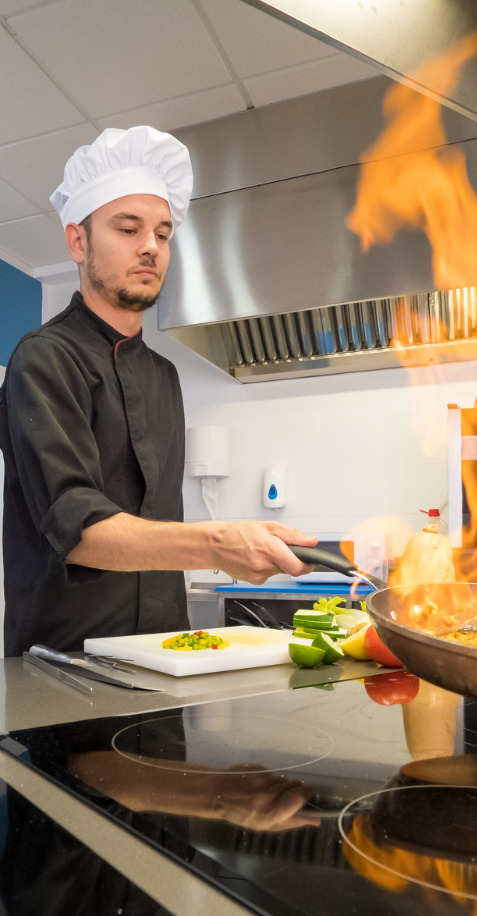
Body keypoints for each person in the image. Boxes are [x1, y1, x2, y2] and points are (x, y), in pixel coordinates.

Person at [0, 126, 315, 656]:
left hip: (165, 657)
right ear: (78, 241)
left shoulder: (164, 377)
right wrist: (217, 543)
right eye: (128, 228)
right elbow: (78, 529)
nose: (150, 247)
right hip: (63, 668)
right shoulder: (43, 360)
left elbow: (156, 522)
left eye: (163, 234)